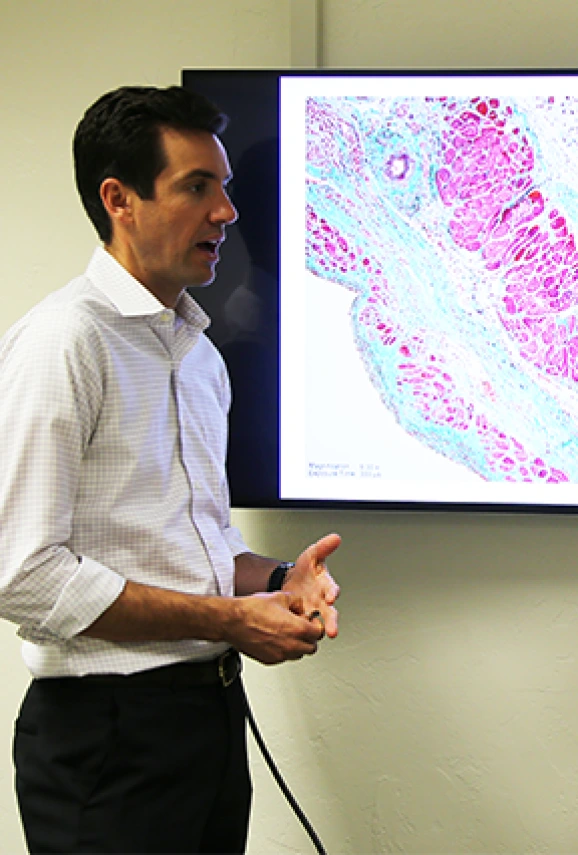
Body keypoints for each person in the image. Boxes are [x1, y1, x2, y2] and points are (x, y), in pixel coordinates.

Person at [0, 85, 342, 854]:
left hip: (207, 723)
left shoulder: (195, 353)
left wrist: (278, 578)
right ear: (118, 199)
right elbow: (24, 575)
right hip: (109, 737)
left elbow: (199, 545)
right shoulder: (63, 344)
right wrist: (227, 619)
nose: (227, 212)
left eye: (224, 188)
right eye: (197, 187)